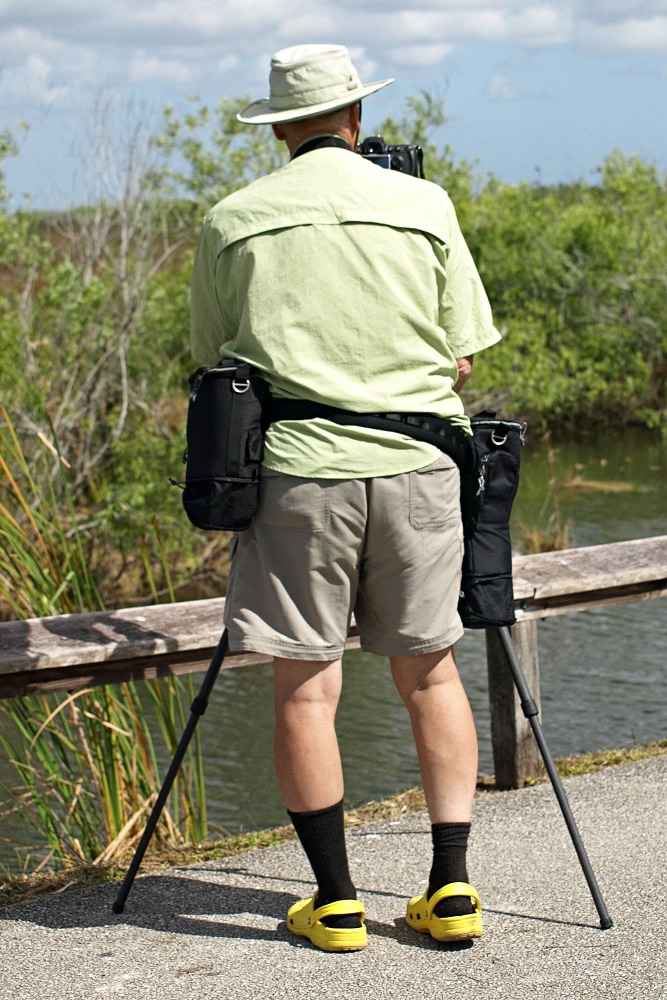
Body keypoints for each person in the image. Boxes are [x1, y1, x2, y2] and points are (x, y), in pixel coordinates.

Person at [190, 43, 501, 953]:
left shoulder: (232, 218)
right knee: (430, 672)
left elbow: (215, 360)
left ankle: (332, 904)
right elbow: (464, 351)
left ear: (281, 128)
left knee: (305, 689)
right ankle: (450, 891)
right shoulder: (425, 205)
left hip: (297, 473)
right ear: (357, 119)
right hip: (419, 472)